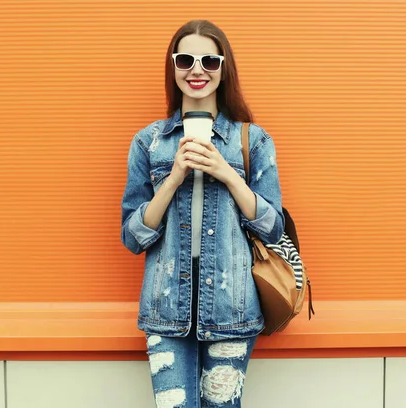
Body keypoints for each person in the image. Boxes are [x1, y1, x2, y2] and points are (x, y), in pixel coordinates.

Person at [121, 19, 284, 408]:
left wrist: (229, 174)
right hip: (165, 310)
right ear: (172, 66)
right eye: (186, 59)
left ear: (223, 68)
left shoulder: (253, 140)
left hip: (232, 310)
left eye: (209, 61)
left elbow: (273, 228)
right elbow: (132, 237)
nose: (197, 70)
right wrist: (174, 176)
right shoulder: (150, 142)